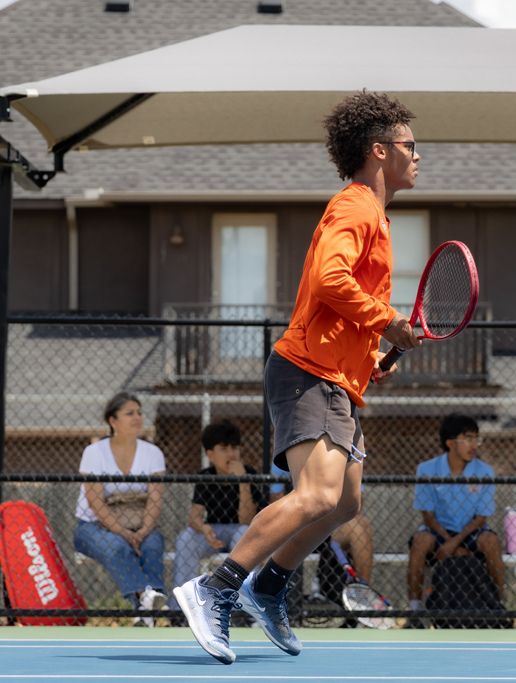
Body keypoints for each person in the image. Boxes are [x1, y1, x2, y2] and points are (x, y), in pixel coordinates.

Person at [174, 90, 421, 665]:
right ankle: (217, 587)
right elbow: (330, 278)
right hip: (308, 373)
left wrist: (372, 358)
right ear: (379, 150)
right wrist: (387, 321)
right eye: (411, 145)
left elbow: (339, 306)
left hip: (333, 377)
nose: (419, 155)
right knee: (316, 495)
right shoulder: (357, 206)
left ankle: (268, 586)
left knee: (345, 503)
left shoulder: (373, 216)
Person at [73, 392, 167, 627]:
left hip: (140, 527)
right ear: (113, 421)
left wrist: (143, 531)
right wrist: (125, 535)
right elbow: (96, 504)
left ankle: (144, 613)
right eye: (129, 413)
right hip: (92, 528)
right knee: (116, 547)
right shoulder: (94, 453)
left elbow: (155, 501)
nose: (137, 417)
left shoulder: (153, 453)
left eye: (139, 412)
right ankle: (147, 597)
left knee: (153, 543)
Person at [405, 414, 502, 629]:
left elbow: (481, 519)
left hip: (470, 533)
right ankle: (414, 610)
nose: (474, 445)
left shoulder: (485, 471)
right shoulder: (427, 469)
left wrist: (454, 543)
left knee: (491, 541)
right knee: (420, 541)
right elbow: (428, 517)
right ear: (450, 443)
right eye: (468, 439)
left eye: (477, 439)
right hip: (439, 532)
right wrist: (448, 542)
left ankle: (498, 607)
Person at [168, 420, 266, 612]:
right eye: (224, 448)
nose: (231, 454)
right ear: (210, 455)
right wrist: (203, 528)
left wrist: (243, 481)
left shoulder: (250, 474)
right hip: (213, 531)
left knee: (244, 532)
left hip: (241, 534)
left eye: (235, 448)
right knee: (186, 537)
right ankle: (180, 611)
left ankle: (240, 610)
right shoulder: (206, 475)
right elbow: (194, 517)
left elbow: (246, 521)